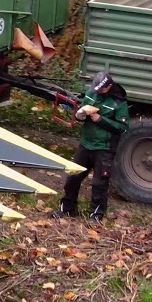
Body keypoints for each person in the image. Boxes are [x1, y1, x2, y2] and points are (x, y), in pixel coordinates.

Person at [52, 71, 129, 222]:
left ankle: (96, 215)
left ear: (109, 87)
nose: (97, 92)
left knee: (99, 183)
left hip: (104, 148)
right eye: (96, 89)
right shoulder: (90, 94)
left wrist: (100, 120)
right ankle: (67, 208)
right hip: (86, 144)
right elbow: (80, 111)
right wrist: (80, 115)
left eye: (101, 90)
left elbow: (123, 127)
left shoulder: (119, 103)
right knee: (73, 177)